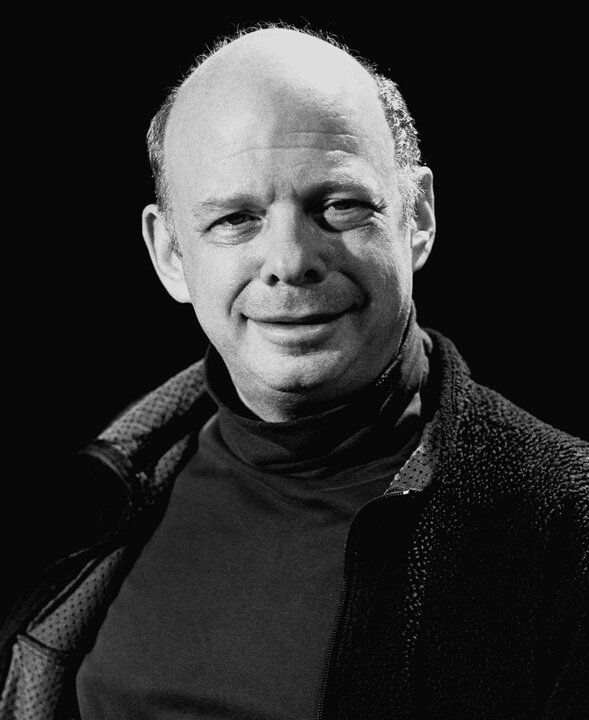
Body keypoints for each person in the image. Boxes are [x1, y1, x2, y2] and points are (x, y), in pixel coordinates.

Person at [1, 25, 587, 720]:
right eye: (235, 218)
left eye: (338, 206)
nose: (290, 260)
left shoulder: (565, 530)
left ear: (418, 217)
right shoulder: (92, 505)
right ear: (170, 255)